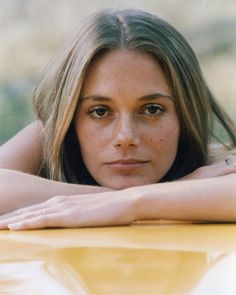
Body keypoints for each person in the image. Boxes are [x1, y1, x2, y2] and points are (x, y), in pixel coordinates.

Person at [0, 8, 236, 230]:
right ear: (70, 121)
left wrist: (132, 204)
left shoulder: (217, 166)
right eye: (100, 111)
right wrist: (177, 191)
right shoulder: (49, 137)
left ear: (185, 116)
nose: (126, 137)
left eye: (152, 109)